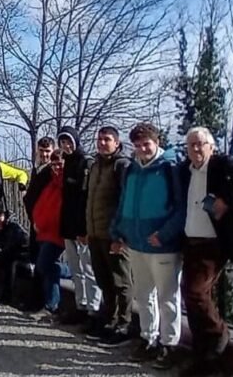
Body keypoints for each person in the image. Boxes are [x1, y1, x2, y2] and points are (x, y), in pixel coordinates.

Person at [178, 127, 233, 376]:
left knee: (196, 293)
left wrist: (227, 200)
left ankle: (219, 334)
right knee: (190, 296)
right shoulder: (186, 171)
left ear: (211, 146)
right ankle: (203, 357)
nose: (195, 149)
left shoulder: (224, 165)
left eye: (200, 144)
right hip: (191, 239)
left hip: (215, 242)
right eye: (191, 144)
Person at [111, 122, 186, 370]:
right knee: (144, 296)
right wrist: (118, 231)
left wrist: (165, 234)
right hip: (137, 242)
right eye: (138, 145)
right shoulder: (133, 169)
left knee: (168, 297)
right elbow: (124, 203)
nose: (143, 149)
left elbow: (181, 206)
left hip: (162, 245)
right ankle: (148, 339)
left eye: (147, 144)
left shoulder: (169, 167)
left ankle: (170, 344)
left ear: (157, 142)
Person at [85, 126, 133, 346]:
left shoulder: (121, 165)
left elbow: (126, 201)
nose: (102, 143)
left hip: (113, 234)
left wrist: (121, 235)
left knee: (121, 281)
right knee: (104, 279)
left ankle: (124, 324)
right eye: (100, 139)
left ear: (117, 142)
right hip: (95, 233)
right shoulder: (95, 166)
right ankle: (109, 320)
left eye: (107, 139)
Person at [57, 126, 101, 328]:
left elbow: (86, 198)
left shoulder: (86, 163)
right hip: (69, 225)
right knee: (76, 270)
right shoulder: (68, 163)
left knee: (88, 269)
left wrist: (84, 229)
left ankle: (94, 310)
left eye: (69, 142)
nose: (66, 145)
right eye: (63, 142)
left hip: (82, 227)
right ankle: (80, 306)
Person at [29, 149, 67, 316]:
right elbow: (41, 204)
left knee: (45, 265)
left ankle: (68, 271)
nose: (57, 167)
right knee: (47, 267)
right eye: (54, 164)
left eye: (59, 164)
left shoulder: (65, 184)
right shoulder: (52, 182)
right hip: (44, 231)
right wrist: (36, 222)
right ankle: (51, 304)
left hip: (56, 233)